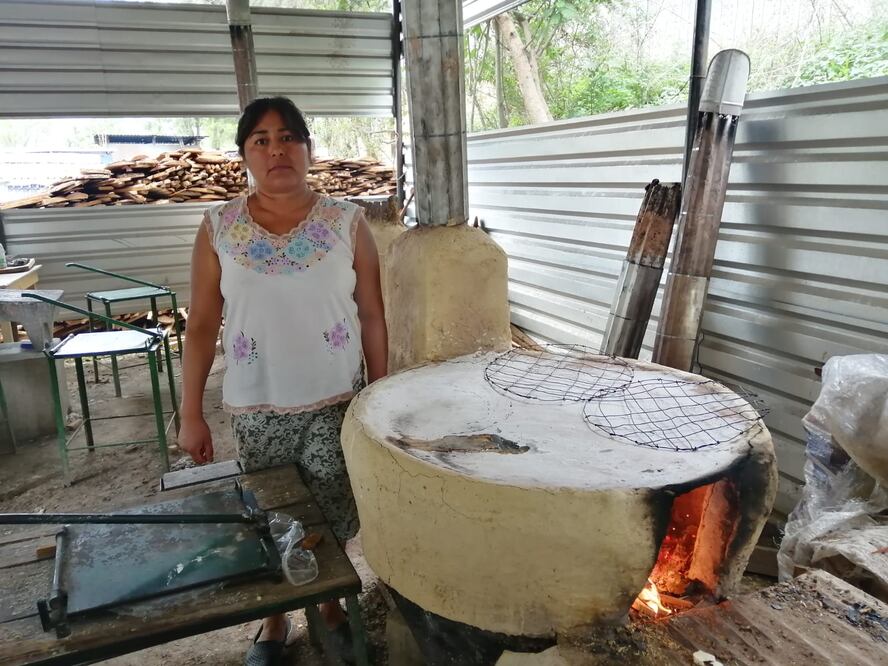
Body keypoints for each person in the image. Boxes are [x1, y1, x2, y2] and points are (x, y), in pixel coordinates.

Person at [179, 96, 388, 666]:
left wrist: (379, 392)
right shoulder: (219, 227)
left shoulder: (347, 223)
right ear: (245, 154)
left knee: (332, 508)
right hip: (257, 405)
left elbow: (372, 314)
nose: (277, 150)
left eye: (289, 137)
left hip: (336, 399)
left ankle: (327, 605)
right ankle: (274, 617)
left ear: (308, 149)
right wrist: (190, 412)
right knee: (271, 513)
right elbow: (202, 326)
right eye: (262, 140)